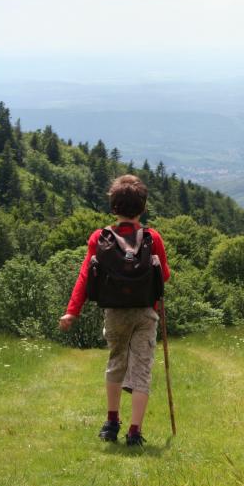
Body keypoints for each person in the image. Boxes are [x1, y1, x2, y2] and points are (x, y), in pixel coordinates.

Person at [59, 174, 170, 447]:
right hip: (145, 313)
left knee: (116, 363)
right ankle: (134, 432)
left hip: (115, 312)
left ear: (113, 207)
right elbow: (164, 276)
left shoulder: (100, 238)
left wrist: (72, 311)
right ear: (143, 207)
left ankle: (111, 423)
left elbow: (86, 275)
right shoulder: (152, 237)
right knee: (142, 369)